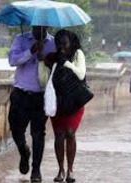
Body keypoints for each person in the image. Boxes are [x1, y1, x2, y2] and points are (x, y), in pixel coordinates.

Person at [8, 26, 55, 182]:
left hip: (40, 96)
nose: (39, 29)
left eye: (42, 26)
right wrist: (31, 51)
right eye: (36, 26)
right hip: (20, 94)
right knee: (16, 130)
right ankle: (24, 152)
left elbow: (57, 67)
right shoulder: (20, 39)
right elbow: (12, 60)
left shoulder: (53, 43)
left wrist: (46, 61)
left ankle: (36, 169)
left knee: (38, 133)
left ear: (47, 26)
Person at [47, 29, 86, 183]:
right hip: (57, 101)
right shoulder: (52, 57)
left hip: (75, 101)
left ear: (70, 43)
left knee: (70, 132)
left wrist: (66, 62)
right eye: (58, 45)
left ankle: (70, 170)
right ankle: (60, 170)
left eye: (64, 44)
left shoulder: (78, 54)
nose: (61, 48)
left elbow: (81, 74)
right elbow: (45, 78)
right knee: (58, 135)